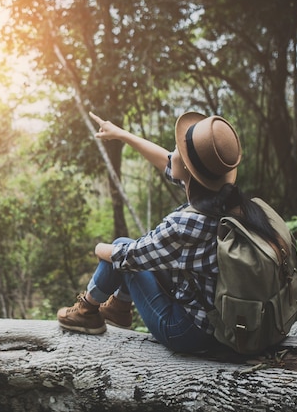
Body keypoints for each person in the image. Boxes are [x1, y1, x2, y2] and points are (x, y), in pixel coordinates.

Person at [57, 111, 280, 353]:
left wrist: (99, 248)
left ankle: (86, 311)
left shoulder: (186, 225)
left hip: (192, 333)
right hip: (227, 319)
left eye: (177, 150)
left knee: (119, 249)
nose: (171, 153)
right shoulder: (229, 199)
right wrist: (121, 134)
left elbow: (129, 257)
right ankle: (118, 310)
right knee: (131, 254)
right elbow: (166, 160)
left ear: (187, 167)